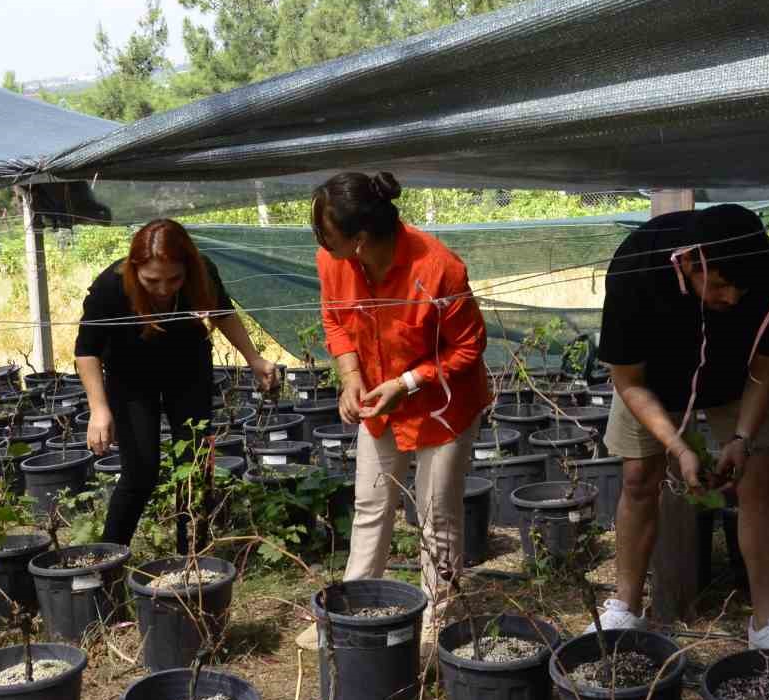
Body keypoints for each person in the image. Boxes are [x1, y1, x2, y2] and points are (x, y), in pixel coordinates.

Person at [295, 172, 492, 650]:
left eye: (328, 234)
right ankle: (349, 608)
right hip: (379, 403)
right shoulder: (333, 262)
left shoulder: (439, 268)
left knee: (436, 512)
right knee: (370, 503)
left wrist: (407, 383)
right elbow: (335, 318)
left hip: (443, 406)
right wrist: (350, 377)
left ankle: (435, 622)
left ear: (359, 240)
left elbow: (469, 347)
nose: (320, 243)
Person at [594, 203, 769, 648]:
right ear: (688, 263)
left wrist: (743, 437)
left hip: (736, 376)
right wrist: (679, 448)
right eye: (722, 285)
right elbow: (627, 381)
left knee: (759, 478)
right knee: (638, 478)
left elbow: (768, 367)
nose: (733, 299)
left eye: (740, 289)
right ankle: (625, 609)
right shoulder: (635, 269)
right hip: (652, 381)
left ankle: (768, 623)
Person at [74, 218, 275, 550]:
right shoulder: (111, 286)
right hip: (131, 379)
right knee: (140, 473)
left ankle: (192, 558)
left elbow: (223, 313)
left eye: (174, 279)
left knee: (195, 468)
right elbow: (86, 350)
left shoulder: (203, 272)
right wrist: (99, 408)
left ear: (188, 267)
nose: (165, 288)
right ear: (135, 268)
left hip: (188, 372)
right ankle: (109, 559)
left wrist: (254, 359)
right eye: (152, 280)